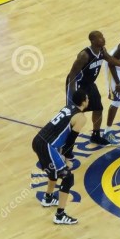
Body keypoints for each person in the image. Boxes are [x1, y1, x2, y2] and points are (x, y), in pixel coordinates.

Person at [66, 31, 120, 148]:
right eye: (100, 38)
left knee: (98, 108)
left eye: (103, 36)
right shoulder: (84, 55)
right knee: (75, 114)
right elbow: (72, 74)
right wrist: (74, 93)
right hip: (78, 84)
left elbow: (111, 60)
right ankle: (67, 142)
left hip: (90, 84)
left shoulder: (102, 50)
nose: (103, 39)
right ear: (92, 41)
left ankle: (95, 135)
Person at [32, 90, 89, 225]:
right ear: (83, 101)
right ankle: (60, 215)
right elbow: (70, 141)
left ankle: (48, 198)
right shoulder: (81, 118)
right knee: (68, 177)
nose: (89, 100)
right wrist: (67, 158)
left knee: (54, 169)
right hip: (47, 145)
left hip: (37, 141)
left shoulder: (67, 108)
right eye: (87, 98)